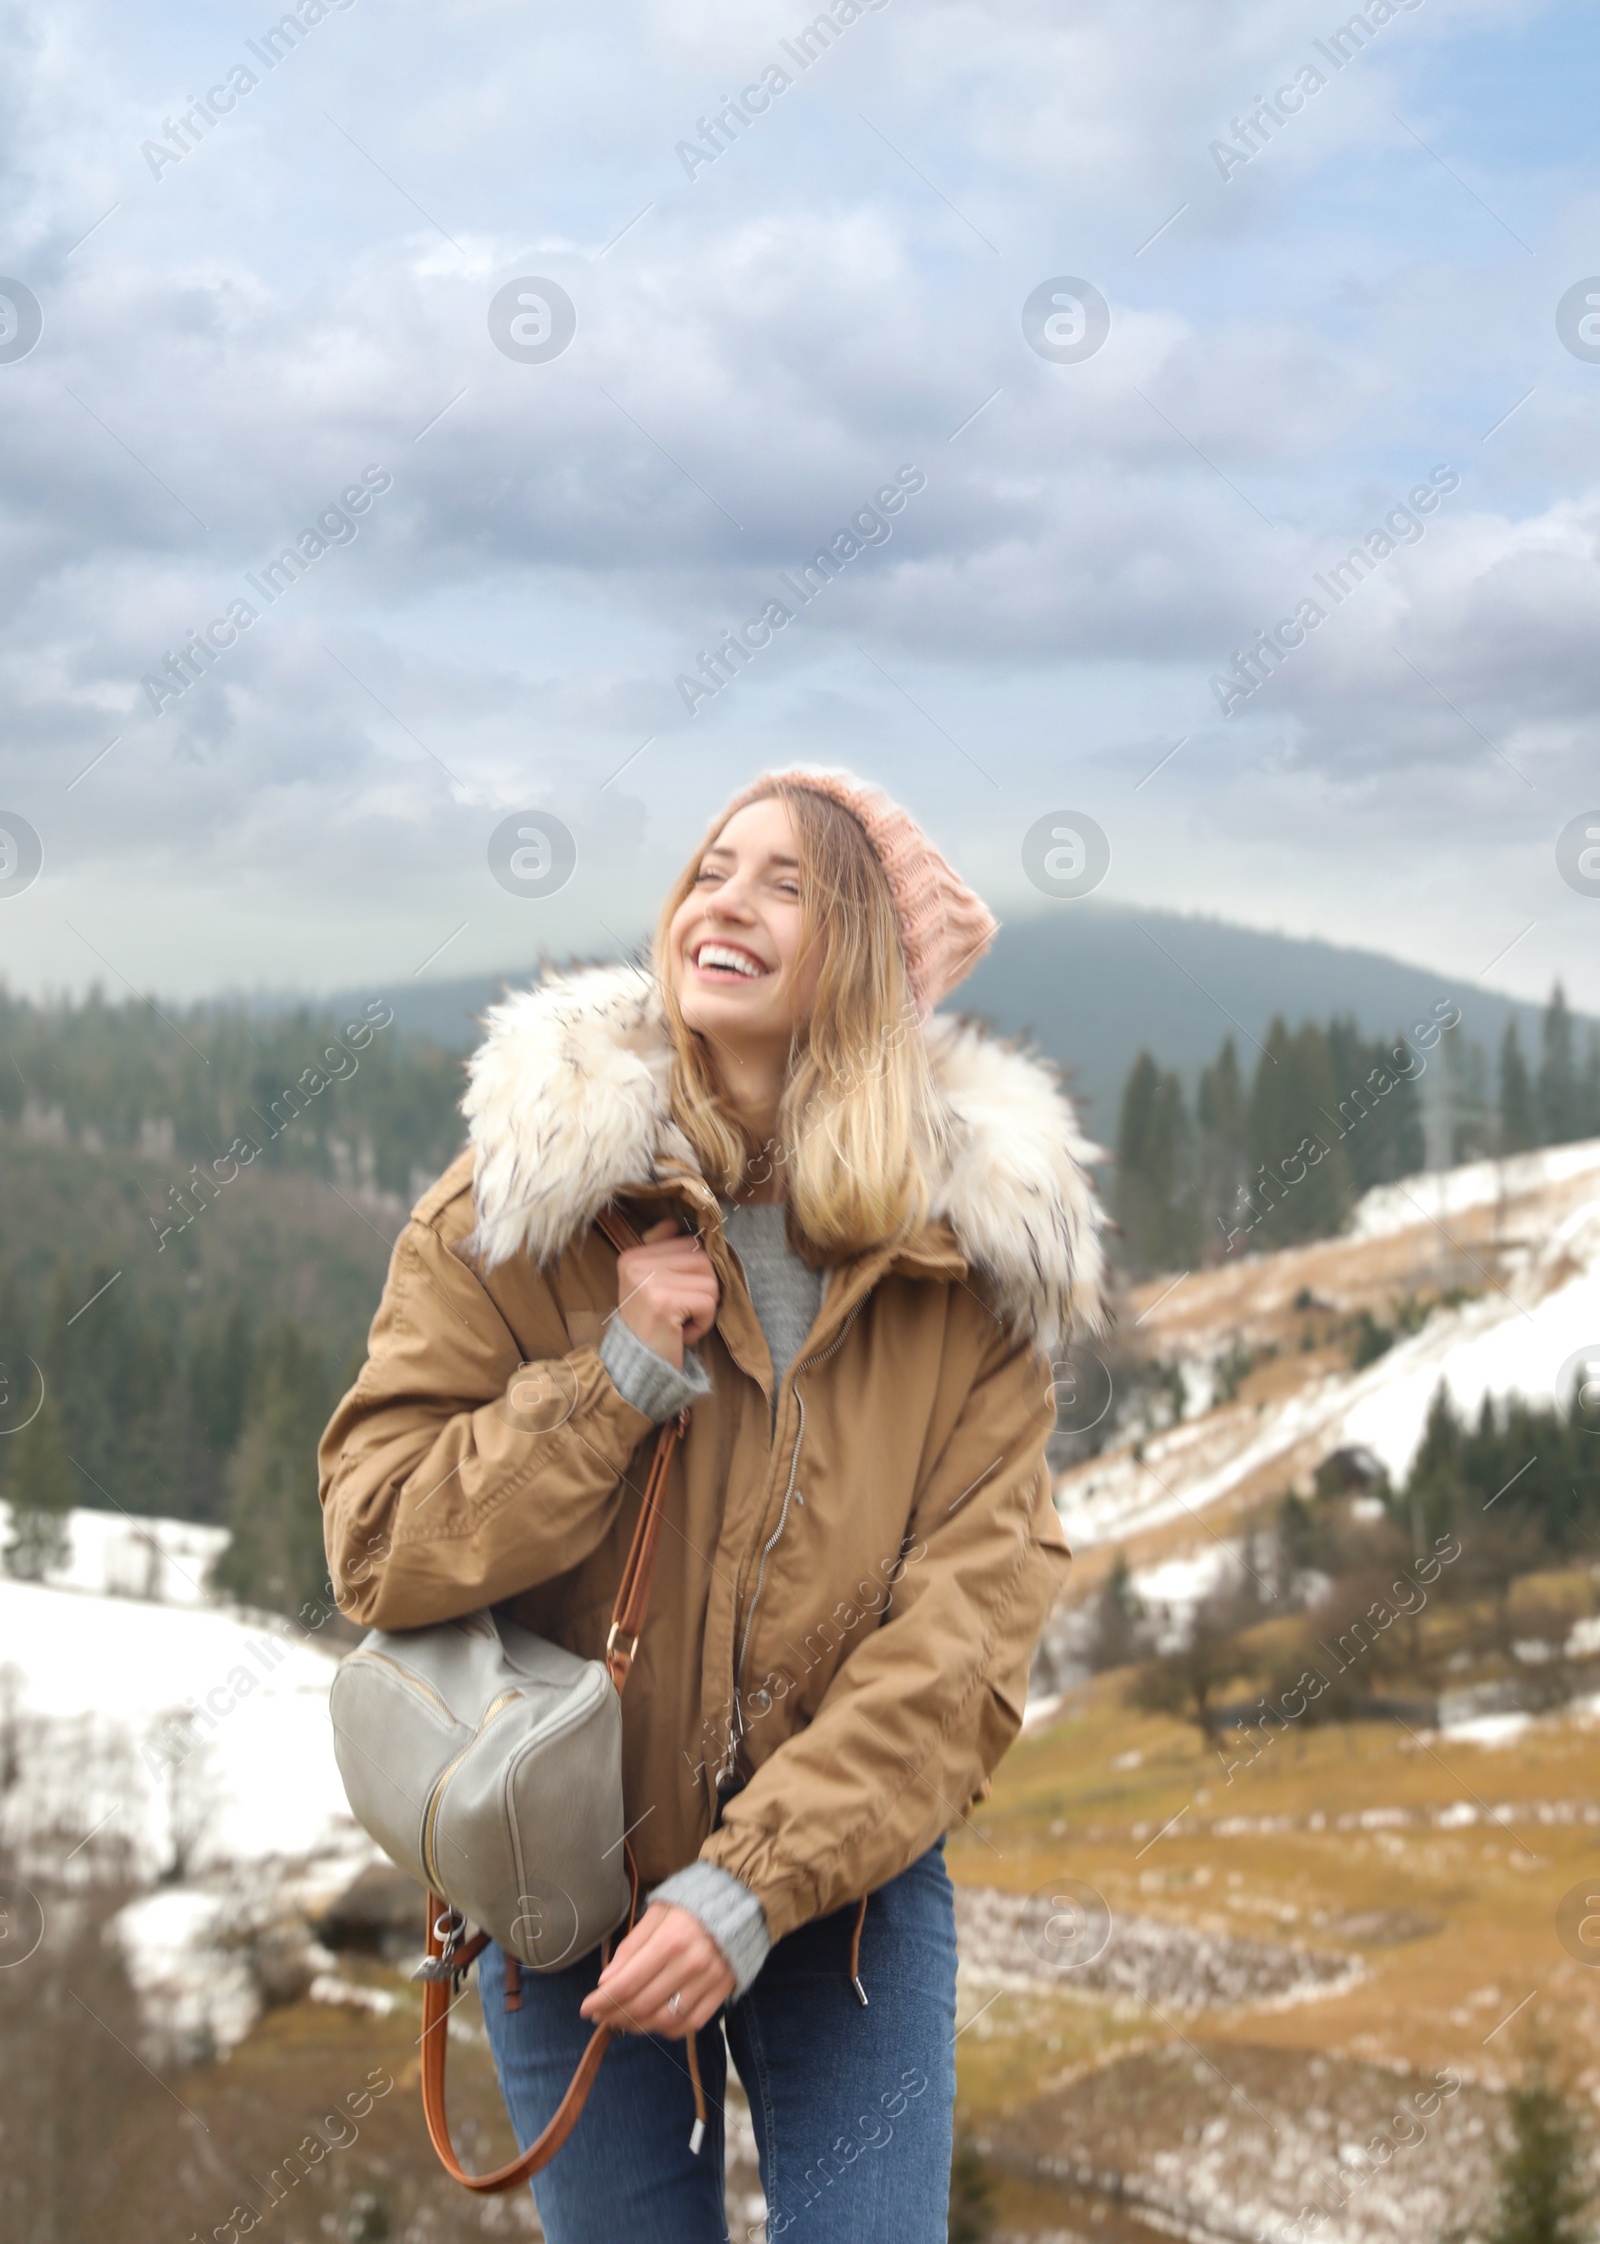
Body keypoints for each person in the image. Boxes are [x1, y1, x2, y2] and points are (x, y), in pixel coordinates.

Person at [318, 766, 1107, 2242]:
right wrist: (611, 1383)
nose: (723, 902)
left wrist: (747, 1889)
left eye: (787, 884)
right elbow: (375, 1542)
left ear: (864, 961)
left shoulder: (973, 1266)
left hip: (841, 1899)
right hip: (566, 1883)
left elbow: (967, 1638)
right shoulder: (522, 1206)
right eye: (711, 869)